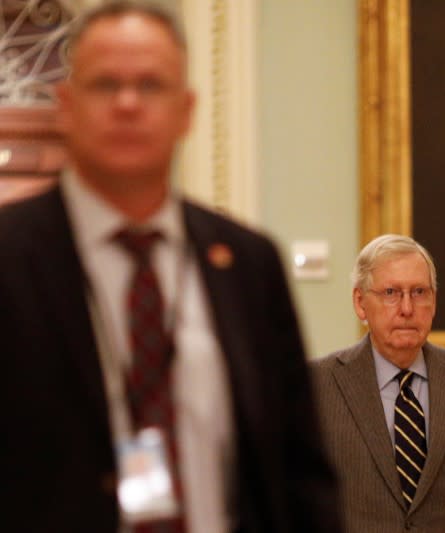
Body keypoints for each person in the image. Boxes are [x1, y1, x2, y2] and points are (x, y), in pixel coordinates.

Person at [0, 2, 340, 532]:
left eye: (151, 85)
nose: (129, 103)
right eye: (105, 84)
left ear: (186, 110)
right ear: (65, 105)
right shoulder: (10, 255)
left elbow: (300, 473)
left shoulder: (248, 264)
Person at [312, 234, 445, 532]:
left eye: (419, 292)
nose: (407, 308)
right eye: (390, 292)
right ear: (360, 303)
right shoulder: (317, 386)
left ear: (434, 301)